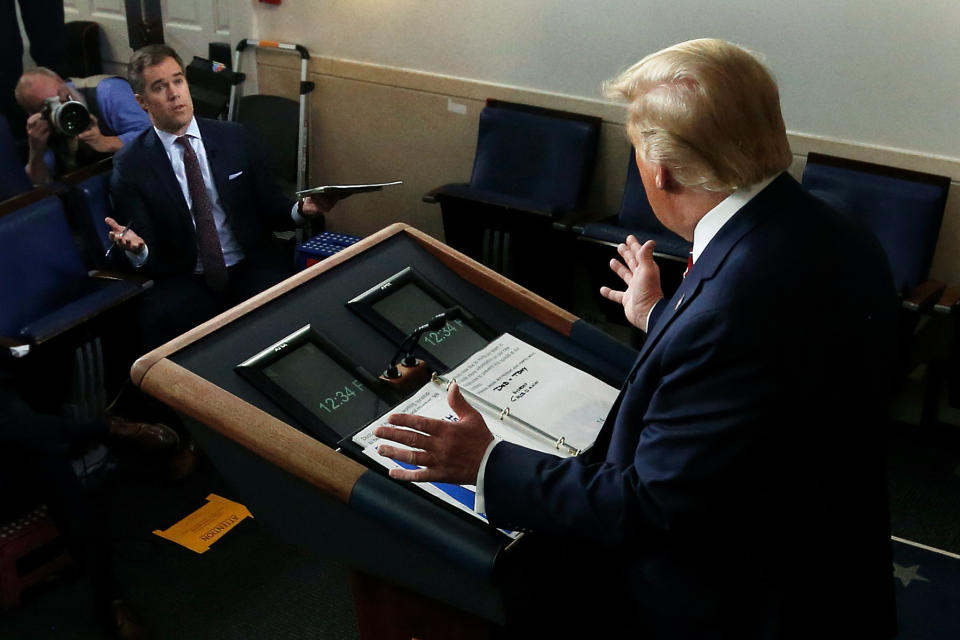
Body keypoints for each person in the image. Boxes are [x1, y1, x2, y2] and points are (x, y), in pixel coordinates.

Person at [373, 39, 899, 638]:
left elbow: (654, 507)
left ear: (660, 170)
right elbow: (779, 370)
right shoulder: (835, 229)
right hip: (833, 561)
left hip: (743, 600)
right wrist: (659, 315)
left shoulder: (731, 309)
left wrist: (485, 462)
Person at [107, 44, 331, 353]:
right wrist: (139, 250)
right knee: (158, 323)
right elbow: (146, 248)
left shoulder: (235, 137)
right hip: (187, 275)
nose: (174, 94)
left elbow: (272, 206)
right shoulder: (131, 165)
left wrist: (301, 210)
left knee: (291, 307)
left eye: (178, 80)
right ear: (142, 102)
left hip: (250, 263)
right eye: (160, 87)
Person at [14, 67, 152, 184]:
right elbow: (41, 182)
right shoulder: (44, 125)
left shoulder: (107, 91)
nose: (61, 106)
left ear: (62, 81)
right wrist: (36, 150)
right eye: (49, 106)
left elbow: (153, 137)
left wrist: (106, 142)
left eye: (60, 95)